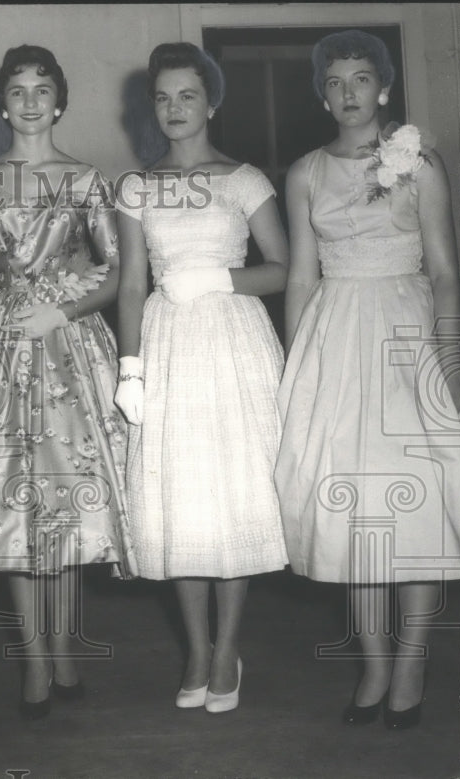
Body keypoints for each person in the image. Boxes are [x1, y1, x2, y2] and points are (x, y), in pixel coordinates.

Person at [275, 29, 460, 730]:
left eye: (362, 79)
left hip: (408, 336)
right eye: (335, 81)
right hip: (337, 336)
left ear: (384, 89)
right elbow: (299, 277)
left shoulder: (421, 165)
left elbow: (446, 273)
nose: (348, 92)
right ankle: (374, 662)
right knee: (354, 508)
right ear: (321, 92)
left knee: (413, 507)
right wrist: (299, 372)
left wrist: (449, 367)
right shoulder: (304, 173)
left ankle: (411, 660)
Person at [0, 44, 133, 720]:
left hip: (68, 343)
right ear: (2, 104)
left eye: (41, 90)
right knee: (10, 508)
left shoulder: (85, 179)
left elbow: (116, 271)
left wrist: (62, 308)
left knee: (63, 507)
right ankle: (32, 656)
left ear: (59, 101)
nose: (29, 101)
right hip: (4, 343)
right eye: (17, 91)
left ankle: (63, 650)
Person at [113, 42, 290, 714]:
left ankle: (227, 647)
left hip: (232, 339)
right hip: (166, 344)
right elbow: (130, 285)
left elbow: (284, 266)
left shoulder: (244, 179)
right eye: (163, 97)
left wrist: (218, 277)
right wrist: (130, 370)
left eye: (188, 95)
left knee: (232, 494)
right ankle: (194, 645)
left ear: (211, 102)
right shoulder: (136, 186)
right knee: (180, 500)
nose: (175, 108)